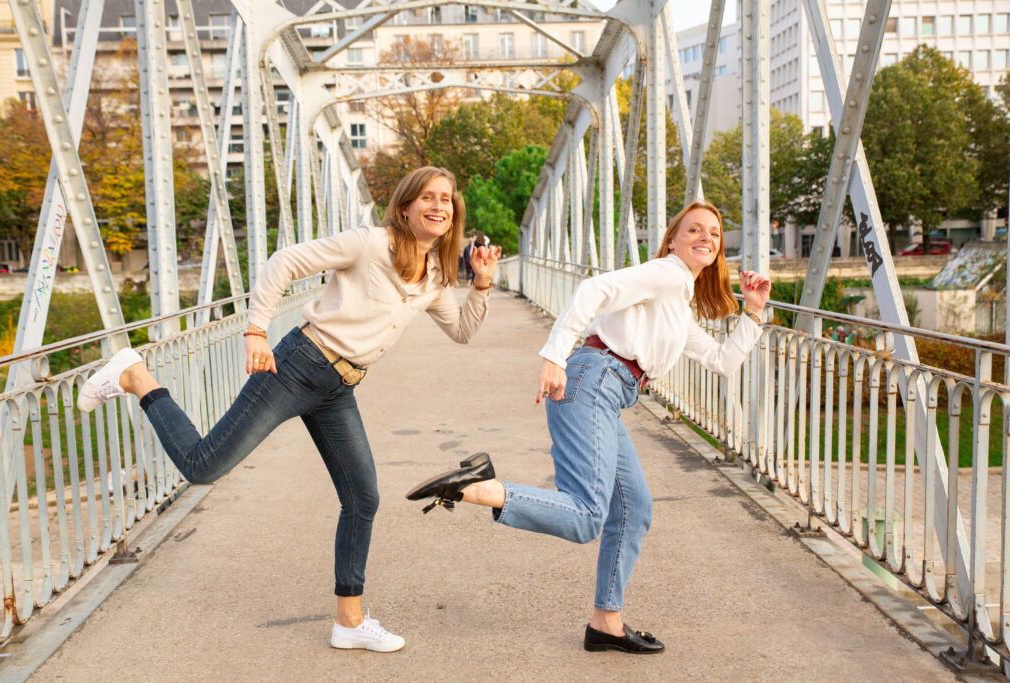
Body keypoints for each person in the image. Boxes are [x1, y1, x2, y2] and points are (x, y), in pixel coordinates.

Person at [77, 166, 502, 653]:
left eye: (446, 200)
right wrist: (256, 331)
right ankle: (136, 376)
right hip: (299, 365)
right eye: (427, 197)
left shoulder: (433, 277)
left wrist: (483, 285)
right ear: (405, 207)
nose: (438, 206)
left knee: (363, 498)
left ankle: (349, 620)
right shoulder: (368, 243)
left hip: (339, 387)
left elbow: (464, 331)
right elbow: (284, 261)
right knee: (203, 467)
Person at [406, 200, 771, 654]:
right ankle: (478, 488)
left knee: (633, 509)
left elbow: (722, 360)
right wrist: (553, 355)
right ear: (673, 239)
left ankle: (606, 623)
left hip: (607, 390)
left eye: (714, 234)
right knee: (585, 517)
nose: (706, 238)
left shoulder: (678, 301)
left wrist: (754, 312)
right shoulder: (668, 273)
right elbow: (594, 289)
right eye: (694, 229)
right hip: (594, 379)